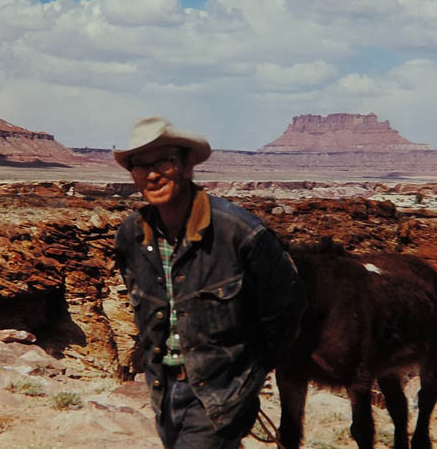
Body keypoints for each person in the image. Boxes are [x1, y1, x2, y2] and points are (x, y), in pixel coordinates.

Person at [113, 116, 306, 448]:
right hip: (163, 391)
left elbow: (286, 308)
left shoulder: (239, 233)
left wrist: (249, 374)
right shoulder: (130, 236)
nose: (153, 173)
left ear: (188, 165)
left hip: (222, 395)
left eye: (163, 161)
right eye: (140, 165)